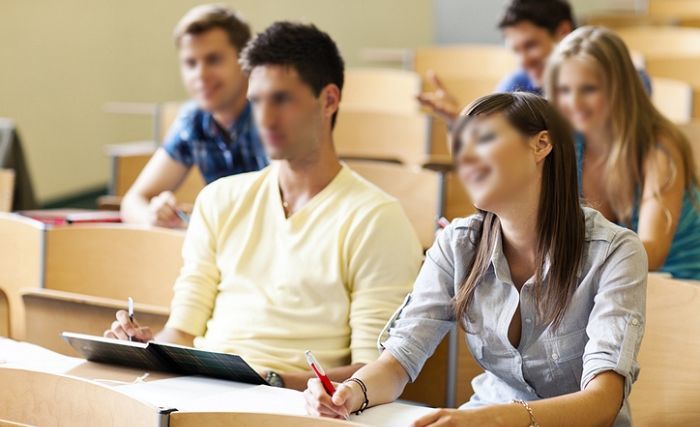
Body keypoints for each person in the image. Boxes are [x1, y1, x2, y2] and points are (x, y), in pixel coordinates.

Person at [104, 22, 424, 391]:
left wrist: (271, 381)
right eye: (257, 101)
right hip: (199, 393)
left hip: (300, 406)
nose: (265, 119)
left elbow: (372, 370)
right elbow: (181, 330)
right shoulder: (219, 199)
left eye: (282, 99)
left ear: (329, 100)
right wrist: (147, 350)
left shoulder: (376, 219)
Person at [305, 92, 647, 427]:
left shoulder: (615, 251)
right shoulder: (458, 244)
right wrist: (352, 392)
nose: (465, 159)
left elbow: (603, 401)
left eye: (482, 140)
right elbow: (398, 362)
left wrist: (496, 418)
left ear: (540, 145)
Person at [546, 26, 700, 280]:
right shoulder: (565, 143)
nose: (574, 103)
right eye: (564, 90)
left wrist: (565, 253)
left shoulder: (659, 145)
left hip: (682, 285)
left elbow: (652, 254)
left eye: (589, 89)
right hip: (615, 282)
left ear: (619, 89)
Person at [121, 5, 268, 228]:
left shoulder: (272, 115)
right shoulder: (193, 120)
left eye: (213, 60)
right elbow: (133, 201)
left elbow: (290, 213)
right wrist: (155, 217)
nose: (200, 75)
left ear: (244, 61)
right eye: (191, 63)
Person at [417, 0, 651, 126]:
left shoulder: (627, 78)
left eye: (531, 46)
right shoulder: (517, 83)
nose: (524, 61)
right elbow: (496, 144)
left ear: (563, 32)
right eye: (516, 50)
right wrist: (460, 121)